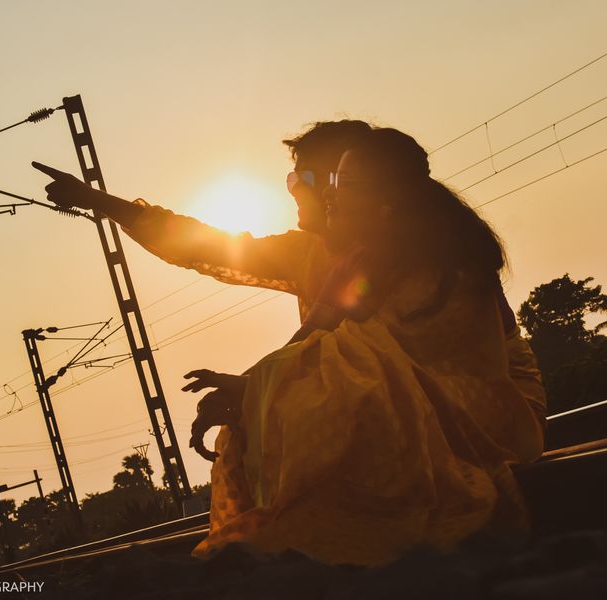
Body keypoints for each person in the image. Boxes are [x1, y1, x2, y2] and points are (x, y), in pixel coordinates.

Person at [31, 121, 546, 462]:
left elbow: (355, 358)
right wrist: (104, 203)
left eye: (304, 176)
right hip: (402, 414)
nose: (295, 188)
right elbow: (202, 246)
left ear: (340, 186)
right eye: (291, 177)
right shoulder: (310, 252)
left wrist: (261, 387)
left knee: (305, 396)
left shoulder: (426, 248)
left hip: (480, 411)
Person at [183, 128, 543, 566]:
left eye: (342, 185)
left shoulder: (443, 260)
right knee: (307, 392)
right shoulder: (358, 260)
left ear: (385, 203)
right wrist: (252, 389)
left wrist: (260, 387)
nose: (330, 196)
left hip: (488, 415)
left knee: (347, 392)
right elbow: (313, 344)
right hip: (426, 409)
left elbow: (387, 366)